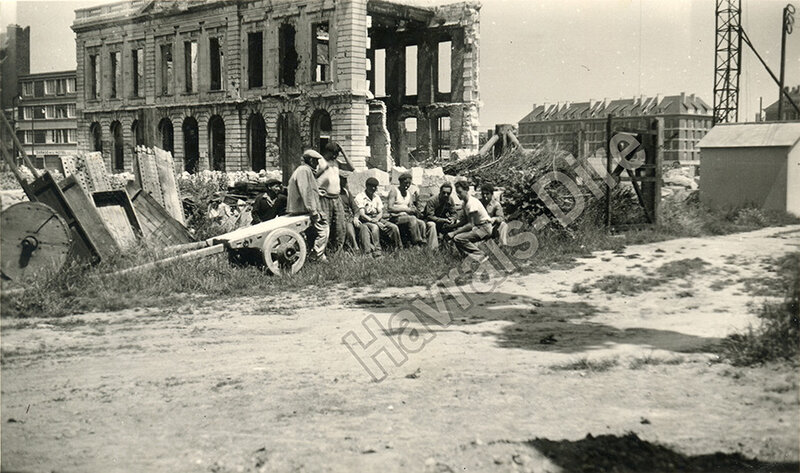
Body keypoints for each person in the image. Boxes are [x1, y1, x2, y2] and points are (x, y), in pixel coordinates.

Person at [287, 149, 329, 262]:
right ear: (310, 160)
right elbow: (305, 191)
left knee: (311, 232)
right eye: (315, 161)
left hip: (302, 207)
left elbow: (307, 189)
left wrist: (318, 192)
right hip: (303, 209)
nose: (317, 164)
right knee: (324, 230)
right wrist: (313, 211)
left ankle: (311, 253)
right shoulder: (304, 170)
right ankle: (317, 255)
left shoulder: (305, 170)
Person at [316, 141, 355, 254]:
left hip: (336, 198)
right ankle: (321, 253)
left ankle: (337, 252)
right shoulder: (319, 162)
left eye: (337, 154)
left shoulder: (336, 162)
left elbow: (351, 167)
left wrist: (343, 151)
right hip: (324, 199)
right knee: (325, 226)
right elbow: (312, 178)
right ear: (328, 152)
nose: (335, 156)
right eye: (334, 154)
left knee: (340, 226)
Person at [387, 172, 438, 249]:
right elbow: (390, 208)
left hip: (407, 217)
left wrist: (414, 209)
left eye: (409, 183)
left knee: (421, 223)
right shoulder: (394, 191)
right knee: (412, 219)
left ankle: (423, 241)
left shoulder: (408, 193)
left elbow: (410, 206)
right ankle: (416, 242)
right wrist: (405, 209)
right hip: (396, 217)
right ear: (400, 182)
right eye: (405, 183)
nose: (407, 185)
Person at [354, 177, 401, 257]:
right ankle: (377, 251)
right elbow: (362, 214)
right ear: (366, 186)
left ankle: (397, 249)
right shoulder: (360, 197)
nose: (373, 188)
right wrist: (374, 221)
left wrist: (377, 219)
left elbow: (380, 212)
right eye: (371, 186)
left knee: (393, 227)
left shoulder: (376, 197)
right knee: (375, 227)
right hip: (366, 220)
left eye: (375, 187)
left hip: (377, 218)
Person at [446, 180, 492, 262]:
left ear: (466, 190)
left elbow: (471, 224)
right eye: (456, 192)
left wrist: (454, 233)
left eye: (460, 192)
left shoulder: (472, 203)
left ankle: (481, 256)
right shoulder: (465, 203)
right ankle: (467, 258)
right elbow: (464, 220)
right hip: (479, 227)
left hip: (485, 229)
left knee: (458, 238)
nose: (458, 195)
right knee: (456, 238)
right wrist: (452, 226)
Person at [339, 175, 360, 253]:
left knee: (363, 227)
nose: (344, 183)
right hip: (339, 219)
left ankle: (367, 249)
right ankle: (355, 247)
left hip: (349, 218)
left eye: (345, 181)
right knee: (348, 227)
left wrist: (356, 217)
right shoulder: (333, 195)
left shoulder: (347, 193)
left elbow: (356, 208)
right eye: (342, 181)